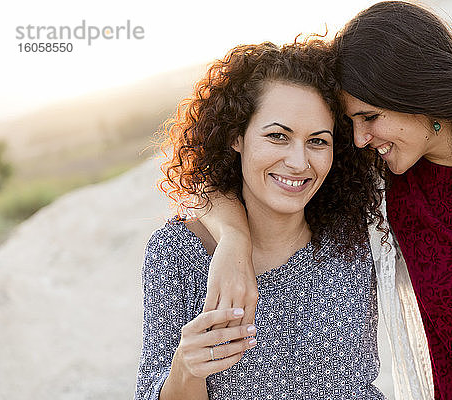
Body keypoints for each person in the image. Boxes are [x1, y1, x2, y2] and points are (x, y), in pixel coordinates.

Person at [197, 2, 452, 399]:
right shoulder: (378, 186)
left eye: (370, 116)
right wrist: (234, 241)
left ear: (418, 93)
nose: (359, 138)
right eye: (351, 122)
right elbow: (218, 180)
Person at [134, 38, 389, 399]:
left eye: (318, 141)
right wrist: (186, 369)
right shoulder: (178, 254)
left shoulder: (356, 236)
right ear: (237, 136)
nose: (299, 163)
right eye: (277, 136)